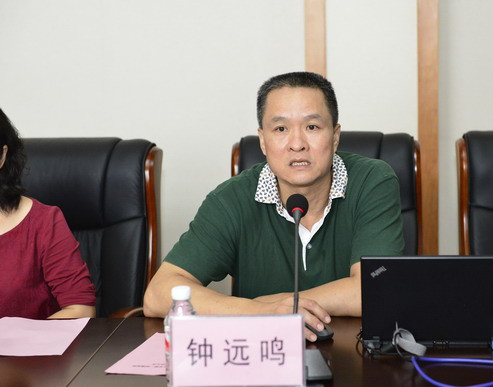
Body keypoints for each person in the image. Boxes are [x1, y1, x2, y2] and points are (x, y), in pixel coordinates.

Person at [143, 72, 404, 340]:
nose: (297, 144)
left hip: (354, 353)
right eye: (281, 129)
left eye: (312, 127)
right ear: (263, 141)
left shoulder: (372, 181)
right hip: (263, 351)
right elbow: (157, 295)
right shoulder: (232, 199)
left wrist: (282, 303)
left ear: (335, 136)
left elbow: (376, 289)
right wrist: (259, 310)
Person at [0, 108, 96, 319]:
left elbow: (80, 309)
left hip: (23, 342)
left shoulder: (43, 222)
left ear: (2, 155)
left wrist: (22, 336)